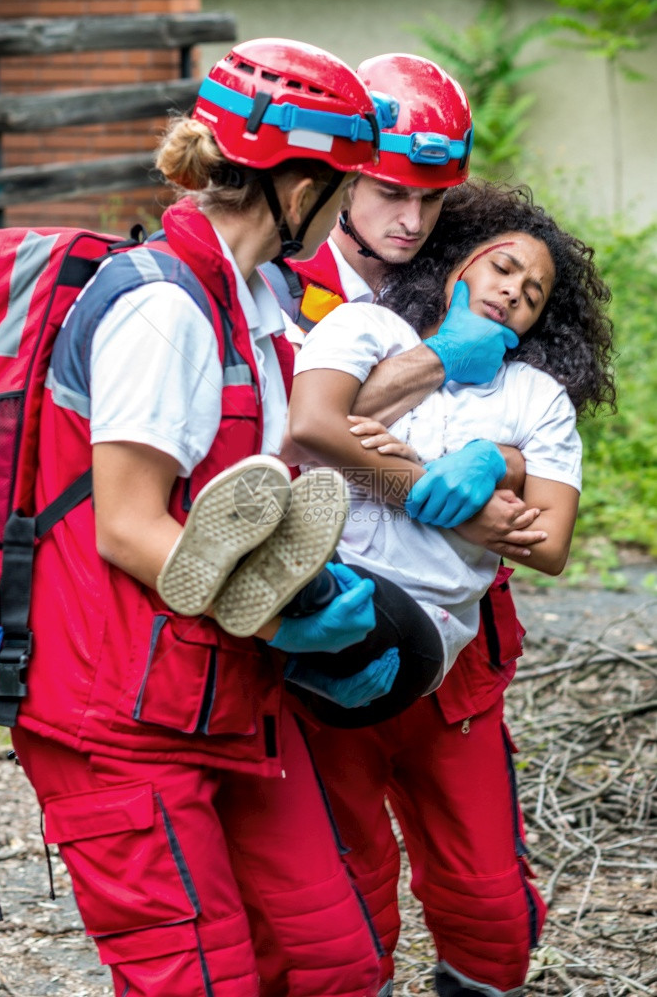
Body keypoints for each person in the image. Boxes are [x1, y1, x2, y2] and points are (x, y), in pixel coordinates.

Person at [0, 38, 396, 997]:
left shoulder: (258, 299)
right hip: (118, 715)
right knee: (197, 981)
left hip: (227, 693)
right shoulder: (161, 308)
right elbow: (129, 527)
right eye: (341, 182)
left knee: (332, 963)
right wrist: (279, 609)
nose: (344, 203)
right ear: (297, 184)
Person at [259, 53, 613, 997]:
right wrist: (426, 448)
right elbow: (296, 444)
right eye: (386, 190)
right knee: (339, 889)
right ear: (340, 174)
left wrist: (499, 461)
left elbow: (544, 515)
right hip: (330, 632)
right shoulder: (279, 289)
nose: (409, 220)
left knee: (490, 895)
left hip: (460, 642)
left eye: (432, 197)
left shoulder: (489, 321)